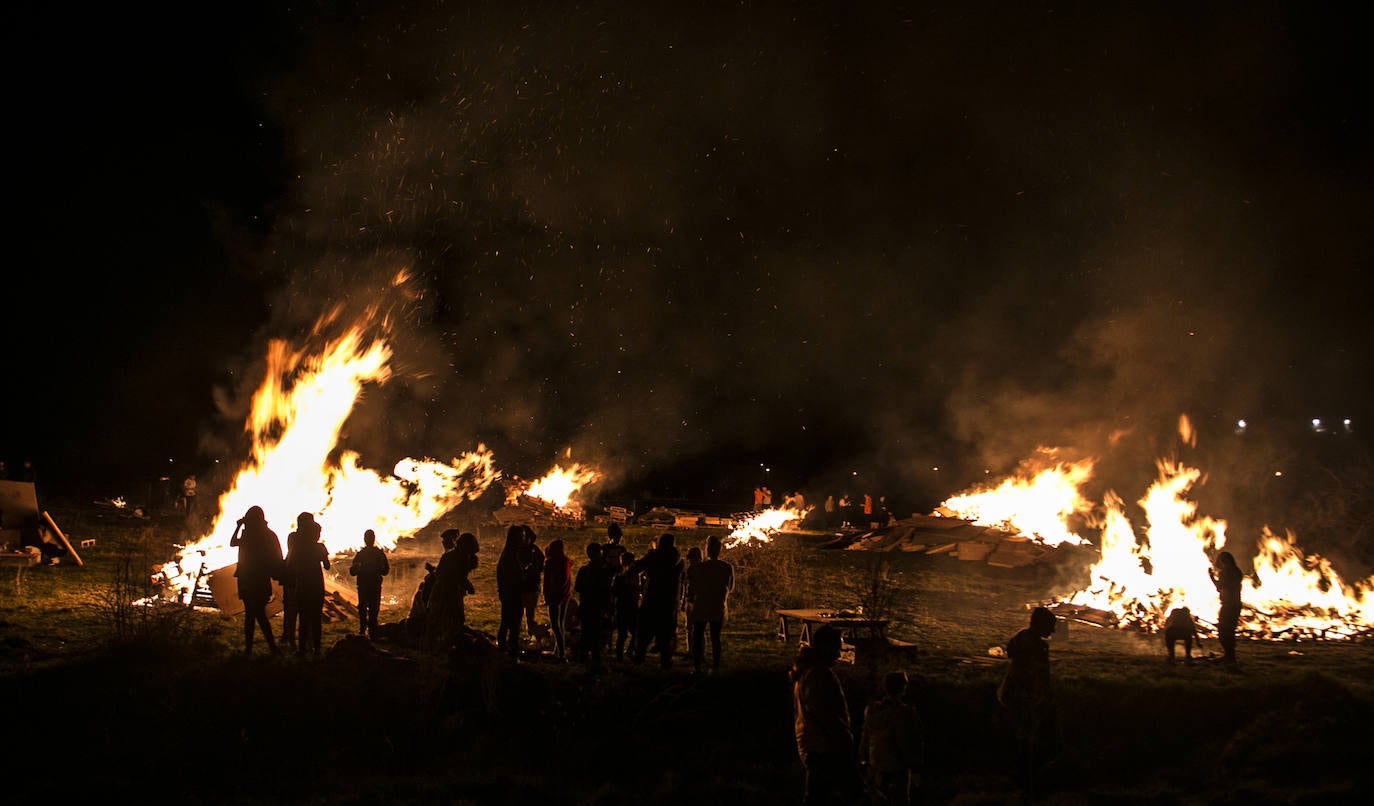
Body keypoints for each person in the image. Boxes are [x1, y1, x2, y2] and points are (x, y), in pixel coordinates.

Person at [790, 625, 863, 805]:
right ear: (825, 647)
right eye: (837, 649)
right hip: (824, 748)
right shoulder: (819, 676)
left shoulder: (806, 671)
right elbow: (825, 715)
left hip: (815, 745)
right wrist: (844, 740)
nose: (839, 654)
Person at [998, 606, 1059, 797]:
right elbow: (1033, 676)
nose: (1053, 631)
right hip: (1023, 701)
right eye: (1050, 626)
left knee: (1029, 743)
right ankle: (1026, 785)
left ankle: (1025, 782)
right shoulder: (1031, 646)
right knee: (1028, 744)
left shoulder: (1025, 641)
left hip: (1025, 699)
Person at [858, 670, 923, 806]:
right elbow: (907, 742)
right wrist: (914, 765)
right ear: (903, 688)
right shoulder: (905, 714)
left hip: (876, 765)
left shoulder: (872, 710)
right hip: (897, 767)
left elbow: (866, 735)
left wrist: (863, 758)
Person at [228, 505, 283, 656]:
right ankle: (268, 648)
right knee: (256, 614)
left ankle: (252, 649)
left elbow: (233, 542)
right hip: (258, 579)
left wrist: (238, 526)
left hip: (248, 578)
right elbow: (277, 556)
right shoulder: (268, 534)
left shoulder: (249, 534)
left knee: (253, 615)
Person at [631, 533, 682, 669]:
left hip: (652, 598)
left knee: (644, 632)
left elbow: (637, 567)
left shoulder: (654, 557)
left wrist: (628, 570)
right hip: (668, 601)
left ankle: (639, 658)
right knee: (665, 635)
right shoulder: (677, 559)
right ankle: (665, 662)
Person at [686, 534, 734, 675]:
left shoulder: (699, 568)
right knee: (715, 638)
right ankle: (715, 667)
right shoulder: (727, 567)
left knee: (698, 635)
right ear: (719, 550)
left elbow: (693, 587)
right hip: (717, 606)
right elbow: (731, 587)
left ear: (707, 549)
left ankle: (697, 667)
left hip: (701, 605)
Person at [284, 512, 330, 657]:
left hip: (302, 585)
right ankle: (316, 648)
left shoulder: (297, 546)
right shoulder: (320, 547)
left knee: (303, 619)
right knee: (316, 619)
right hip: (317, 586)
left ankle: (302, 649)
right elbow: (327, 566)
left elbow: (290, 563)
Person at [573, 541, 615, 667]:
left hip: (587, 605)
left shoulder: (584, 570)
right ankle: (594, 658)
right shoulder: (604, 572)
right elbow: (608, 590)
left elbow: (578, 587)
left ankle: (584, 657)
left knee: (586, 633)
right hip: (597, 607)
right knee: (595, 633)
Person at [349, 529, 390, 639]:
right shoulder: (374, 554)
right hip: (369, 585)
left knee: (368, 608)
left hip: (368, 585)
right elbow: (353, 571)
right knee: (370, 608)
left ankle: (368, 630)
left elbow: (385, 570)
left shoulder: (363, 554)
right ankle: (367, 630)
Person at [496, 525, 527, 658]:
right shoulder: (510, 556)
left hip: (508, 594)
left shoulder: (509, 554)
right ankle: (511, 651)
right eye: (522, 536)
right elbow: (512, 577)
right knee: (513, 624)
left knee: (507, 622)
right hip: (512, 595)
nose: (524, 538)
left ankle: (503, 649)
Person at [1210, 551, 1244, 665]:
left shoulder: (1225, 572)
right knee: (1229, 631)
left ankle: (1229, 657)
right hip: (1236, 604)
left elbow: (1220, 587)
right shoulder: (1237, 571)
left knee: (1223, 631)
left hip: (1228, 605)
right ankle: (1230, 656)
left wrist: (1211, 577)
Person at [543, 538, 574, 660]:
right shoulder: (566, 561)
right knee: (560, 624)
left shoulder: (550, 563)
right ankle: (558, 651)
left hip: (554, 596)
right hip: (565, 595)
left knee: (555, 625)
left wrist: (546, 596)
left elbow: (547, 582)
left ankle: (561, 653)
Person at [611, 550, 641, 661]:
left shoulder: (623, 577)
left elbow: (614, 593)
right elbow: (615, 593)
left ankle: (625, 653)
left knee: (626, 633)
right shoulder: (622, 577)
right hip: (626, 607)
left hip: (626, 607)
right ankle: (624, 654)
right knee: (626, 633)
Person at [519, 525, 545, 635]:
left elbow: (541, 565)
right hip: (520, 585)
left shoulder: (535, 550)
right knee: (518, 610)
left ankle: (530, 630)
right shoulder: (516, 550)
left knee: (530, 610)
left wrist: (534, 568)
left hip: (532, 584)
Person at [680, 545, 703, 660]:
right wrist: (684, 601)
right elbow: (686, 586)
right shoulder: (693, 569)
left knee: (694, 628)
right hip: (691, 600)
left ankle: (695, 652)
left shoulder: (696, 569)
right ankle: (692, 651)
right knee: (691, 628)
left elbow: (688, 586)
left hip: (695, 601)